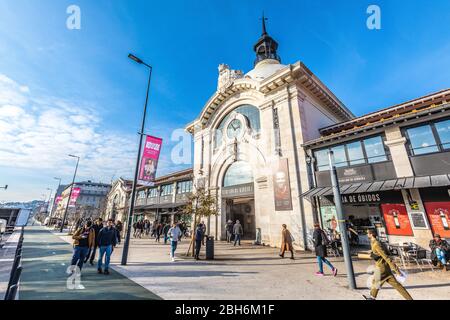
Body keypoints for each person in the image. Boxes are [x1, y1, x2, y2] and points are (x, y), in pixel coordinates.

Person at [364, 229, 413, 300]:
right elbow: (383, 254)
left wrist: (397, 271)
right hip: (386, 268)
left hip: (381, 269)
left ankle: (372, 298)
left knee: (375, 283)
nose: (367, 234)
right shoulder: (376, 242)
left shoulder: (376, 244)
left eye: (368, 233)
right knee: (397, 285)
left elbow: (386, 257)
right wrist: (373, 254)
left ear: (371, 234)